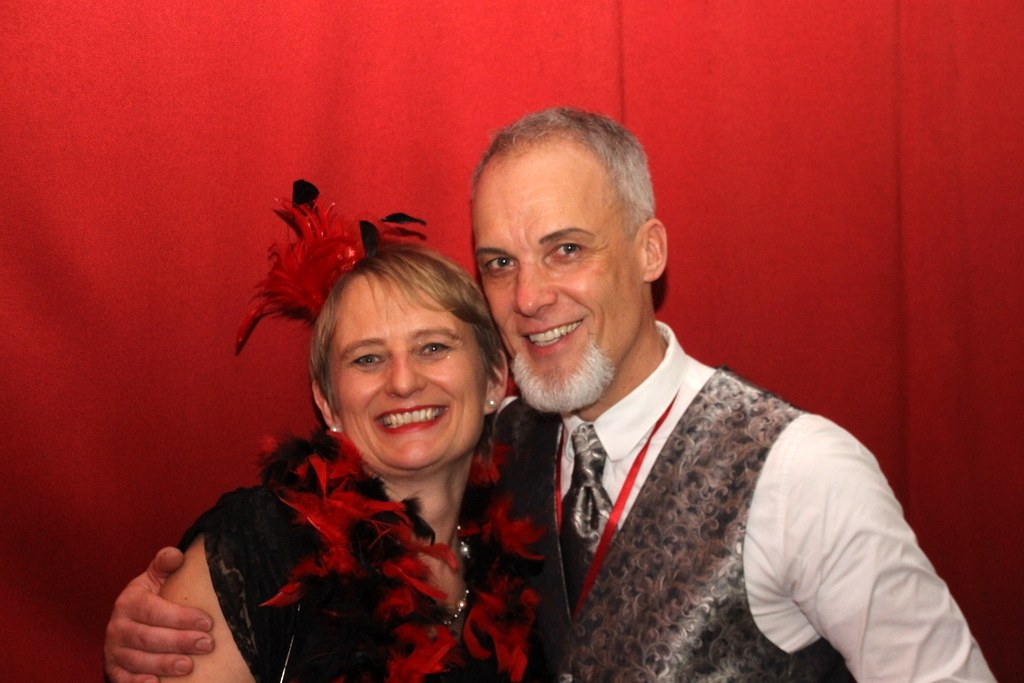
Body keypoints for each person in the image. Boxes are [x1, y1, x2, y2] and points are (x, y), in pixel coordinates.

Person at [105, 110, 994, 682]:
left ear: (649, 250)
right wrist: (150, 626)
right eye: (500, 262)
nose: (530, 296)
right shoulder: (496, 442)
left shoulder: (802, 472)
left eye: (566, 249)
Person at [105, 184, 546, 683]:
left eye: (433, 348)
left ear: (494, 380)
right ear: (328, 402)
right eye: (368, 359)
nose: (403, 382)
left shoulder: (528, 561)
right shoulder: (256, 549)